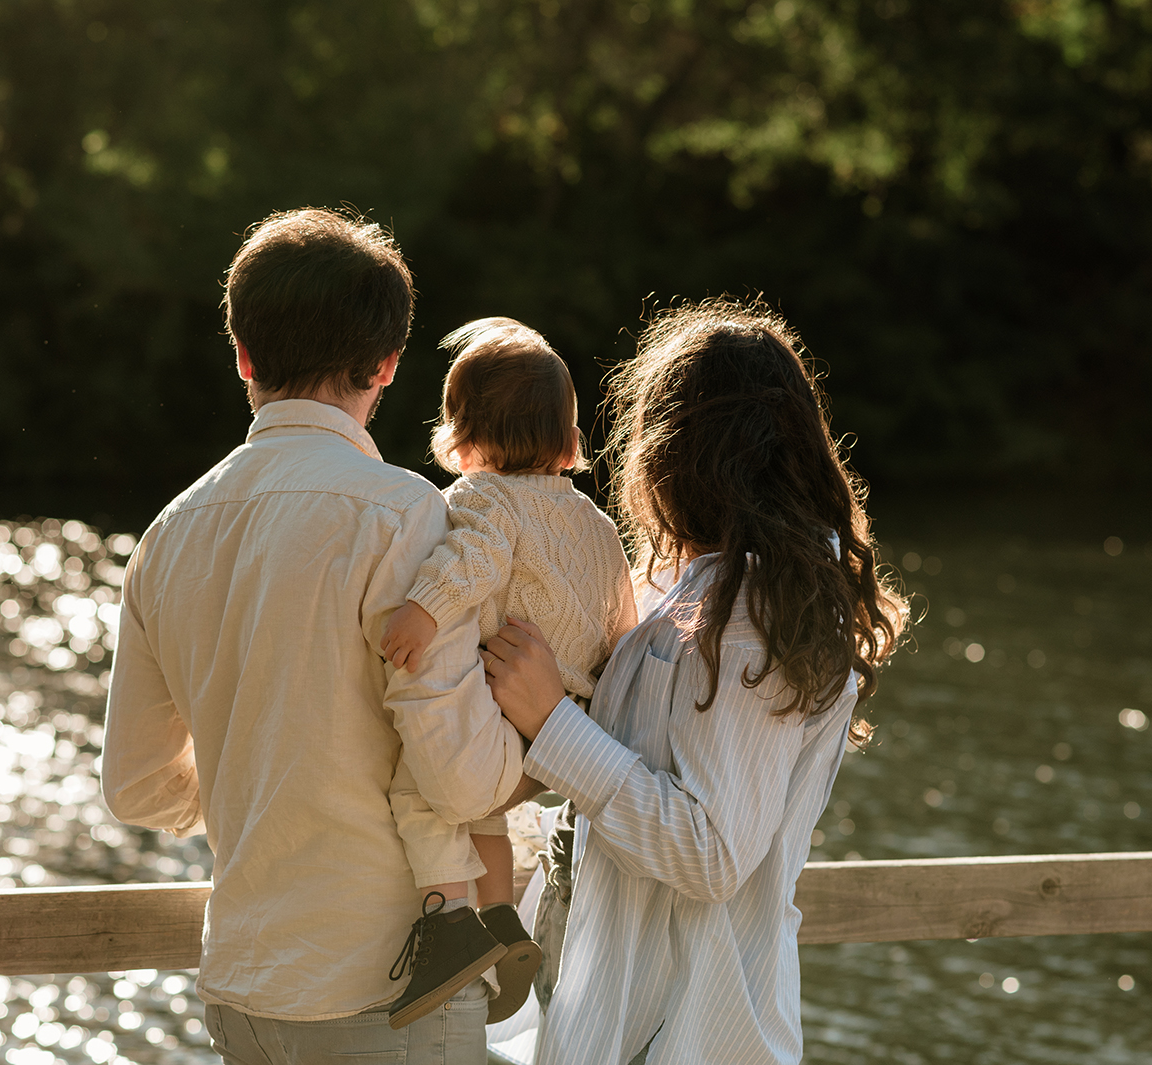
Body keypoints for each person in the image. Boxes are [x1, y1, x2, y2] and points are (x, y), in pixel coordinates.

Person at [101, 207, 531, 1065]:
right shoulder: (411, 515)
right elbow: (452, 768)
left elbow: (139, 788)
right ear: (387, 365)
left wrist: (253, 768)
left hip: (246, 990)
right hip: (392, 987)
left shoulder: (167, 534)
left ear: (243, 356)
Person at [481, 298, 910, 1065]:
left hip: (688, 1041)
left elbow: (711, 852)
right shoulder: (697, 591)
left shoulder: (753, 616)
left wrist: (552, 722)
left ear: (679, 451)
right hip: (625, 1026)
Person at [378, 317, 638, 1028]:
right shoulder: (596, 522)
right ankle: (502, 924)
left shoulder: (480, 499)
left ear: (462, 439)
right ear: (568, 438)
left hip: (499, 725)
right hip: (563, 734)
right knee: (488, 807)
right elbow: (625, 627)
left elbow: (473, 561)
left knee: (416, 790)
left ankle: (449, 917)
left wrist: (423, 612)